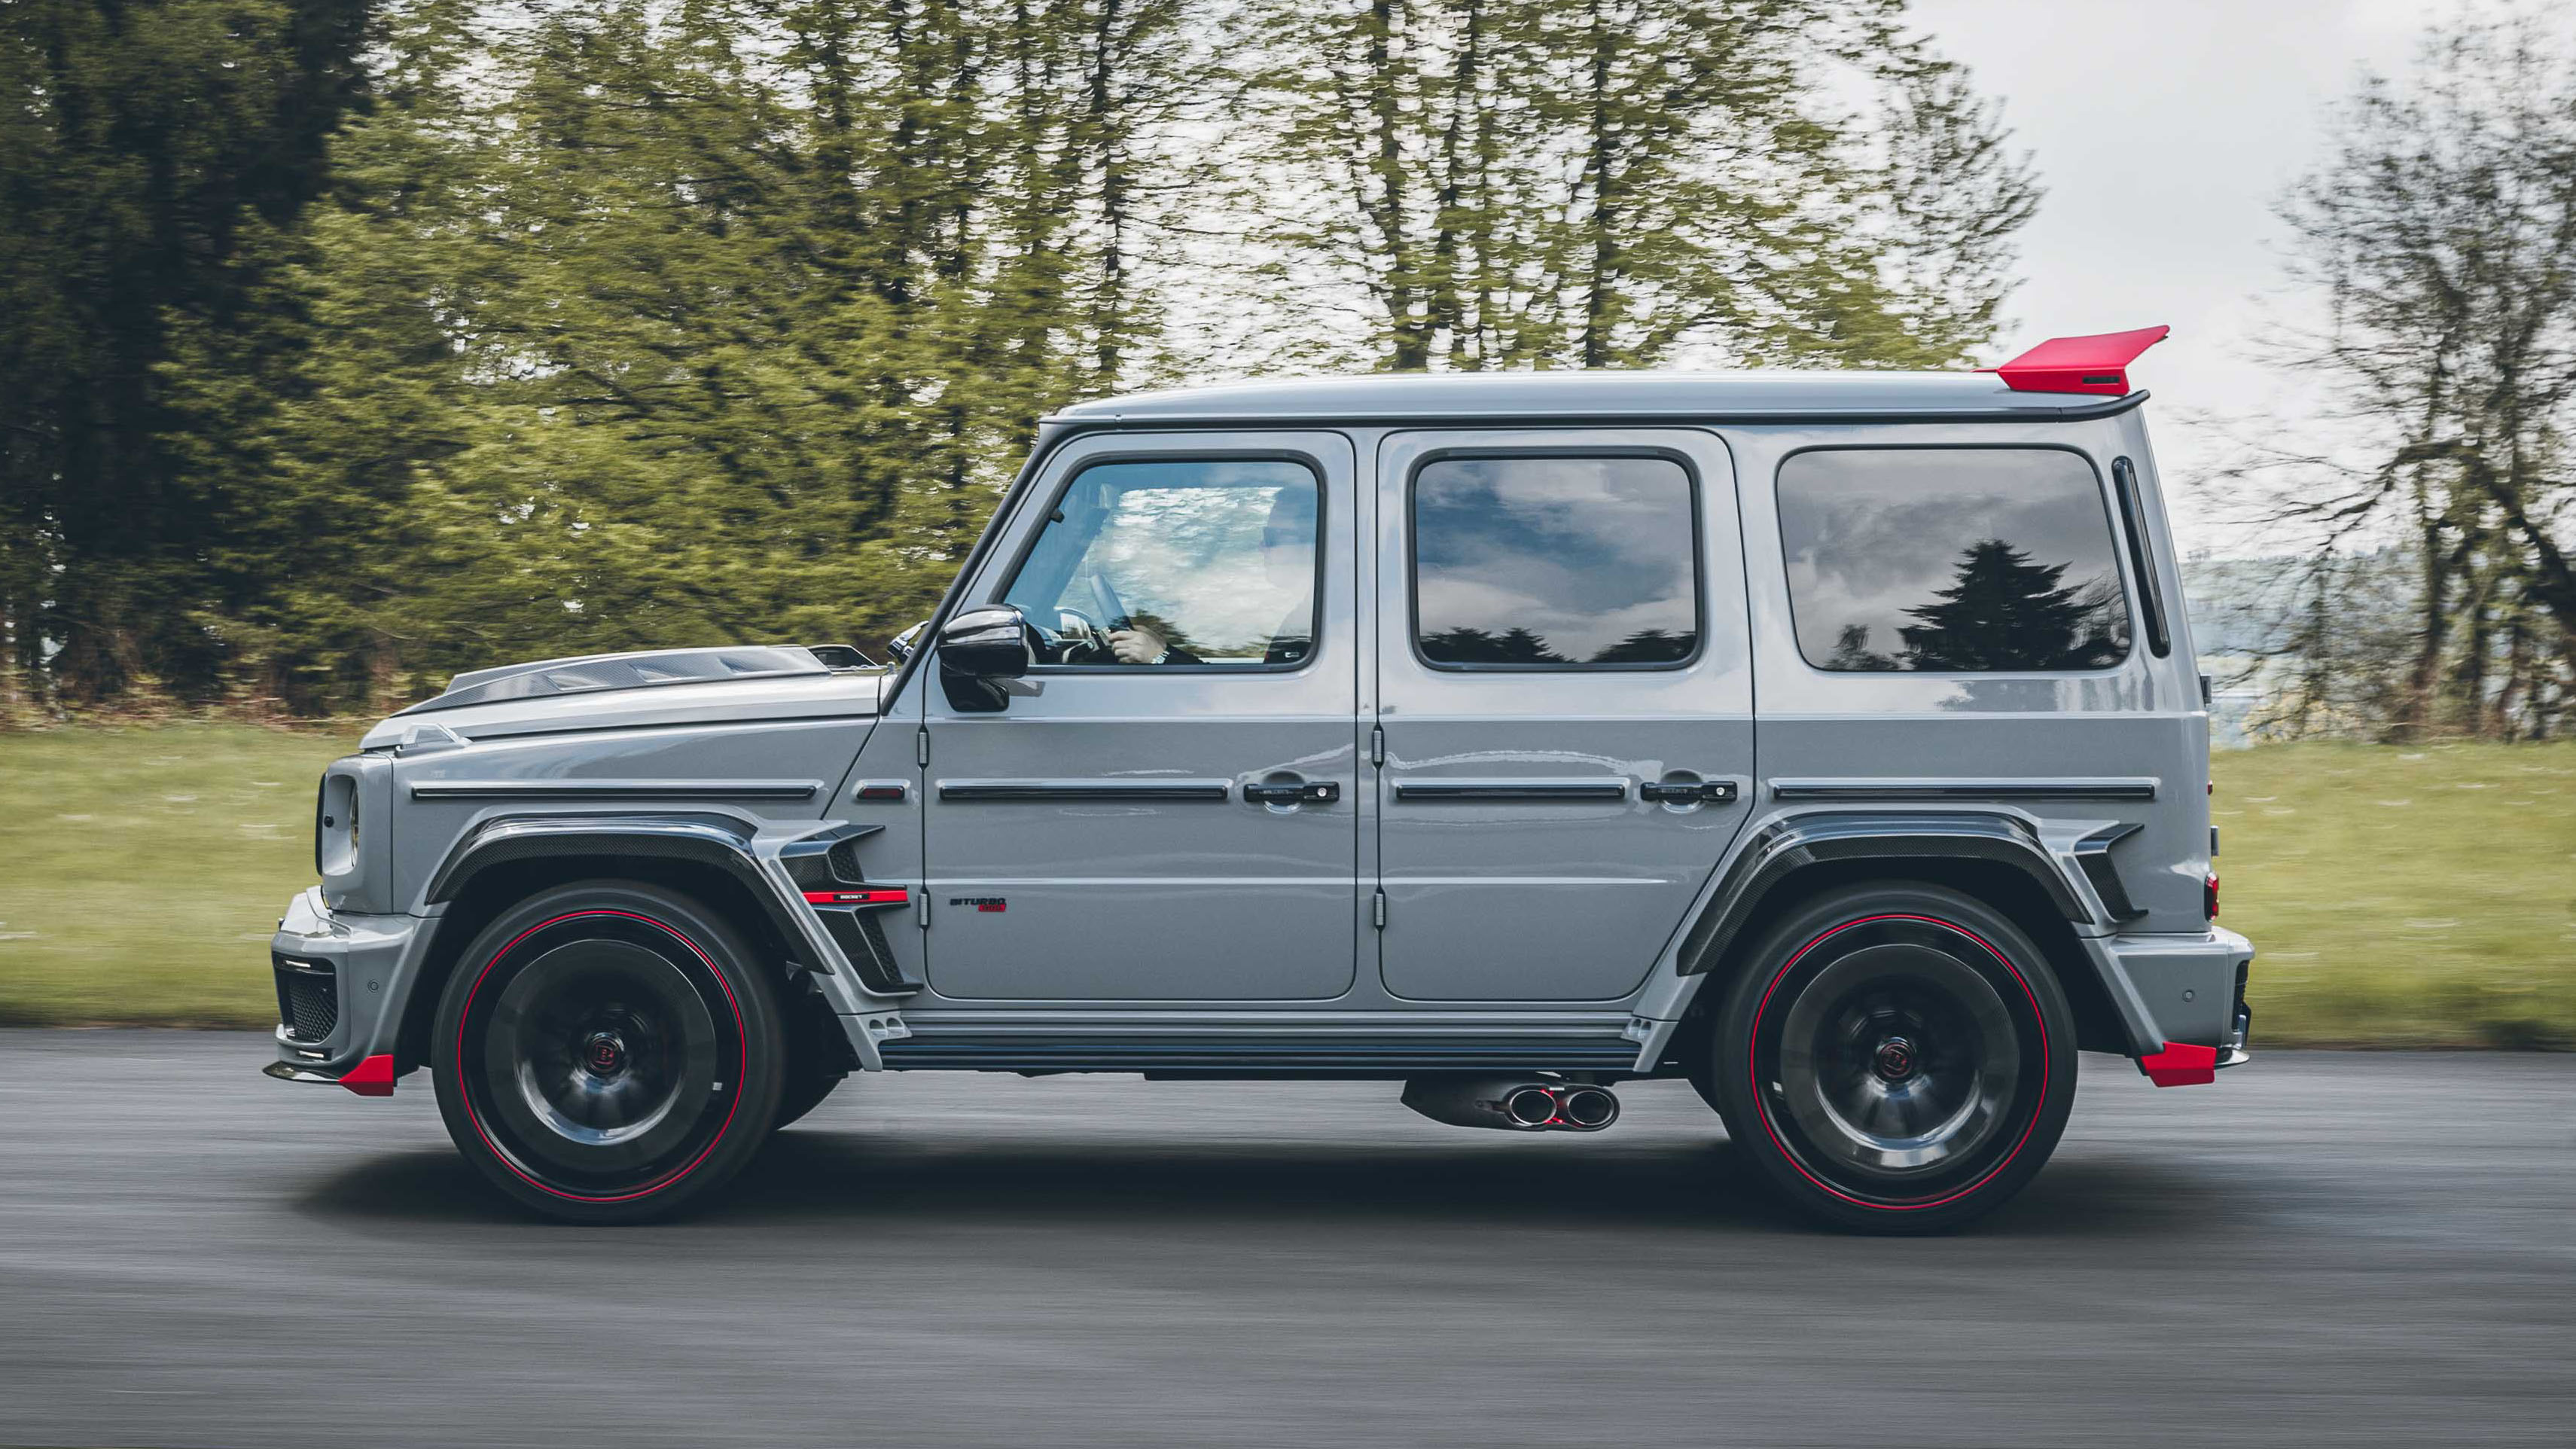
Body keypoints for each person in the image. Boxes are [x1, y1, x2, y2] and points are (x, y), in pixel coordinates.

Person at [1105, 485, 1315, 666]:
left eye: (1272, 538)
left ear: (1312, 544)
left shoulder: (1314, 626)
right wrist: (1162, 648)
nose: (1262, 547)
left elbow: (1268, 700)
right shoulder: (1306, 616)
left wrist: (1160, 658)